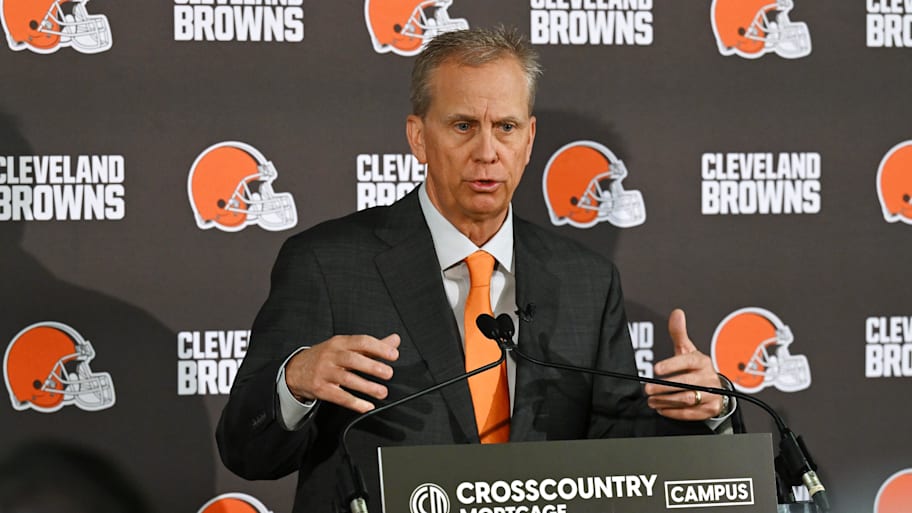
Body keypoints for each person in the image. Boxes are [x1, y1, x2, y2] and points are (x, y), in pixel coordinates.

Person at [216, 26, 734, 513]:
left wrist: (707, 412)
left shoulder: (586, 281)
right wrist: (296, 384)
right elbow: (246, 451)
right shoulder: (327, 262)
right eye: (463, 126)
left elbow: (622, 457)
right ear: (418, 138)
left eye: (505, 127)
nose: (487, 153)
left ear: (529, 141)